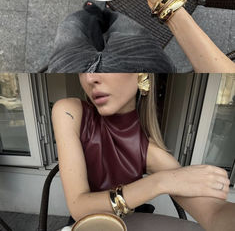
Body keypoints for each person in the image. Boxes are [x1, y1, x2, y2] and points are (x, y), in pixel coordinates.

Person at [52, 73, 235, 231]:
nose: (89, 78)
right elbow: (78, 206)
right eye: (84, 68)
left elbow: (213, 212)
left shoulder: (153, 154)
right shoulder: (69, 112)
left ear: (141, 73)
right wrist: (160, 182)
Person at [47, 0, 235, 73]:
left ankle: (97, 13)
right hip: (146, 64)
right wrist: (165, 3)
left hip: (137, 70)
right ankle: (103, 14)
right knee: (125, 26)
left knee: (72, 25)